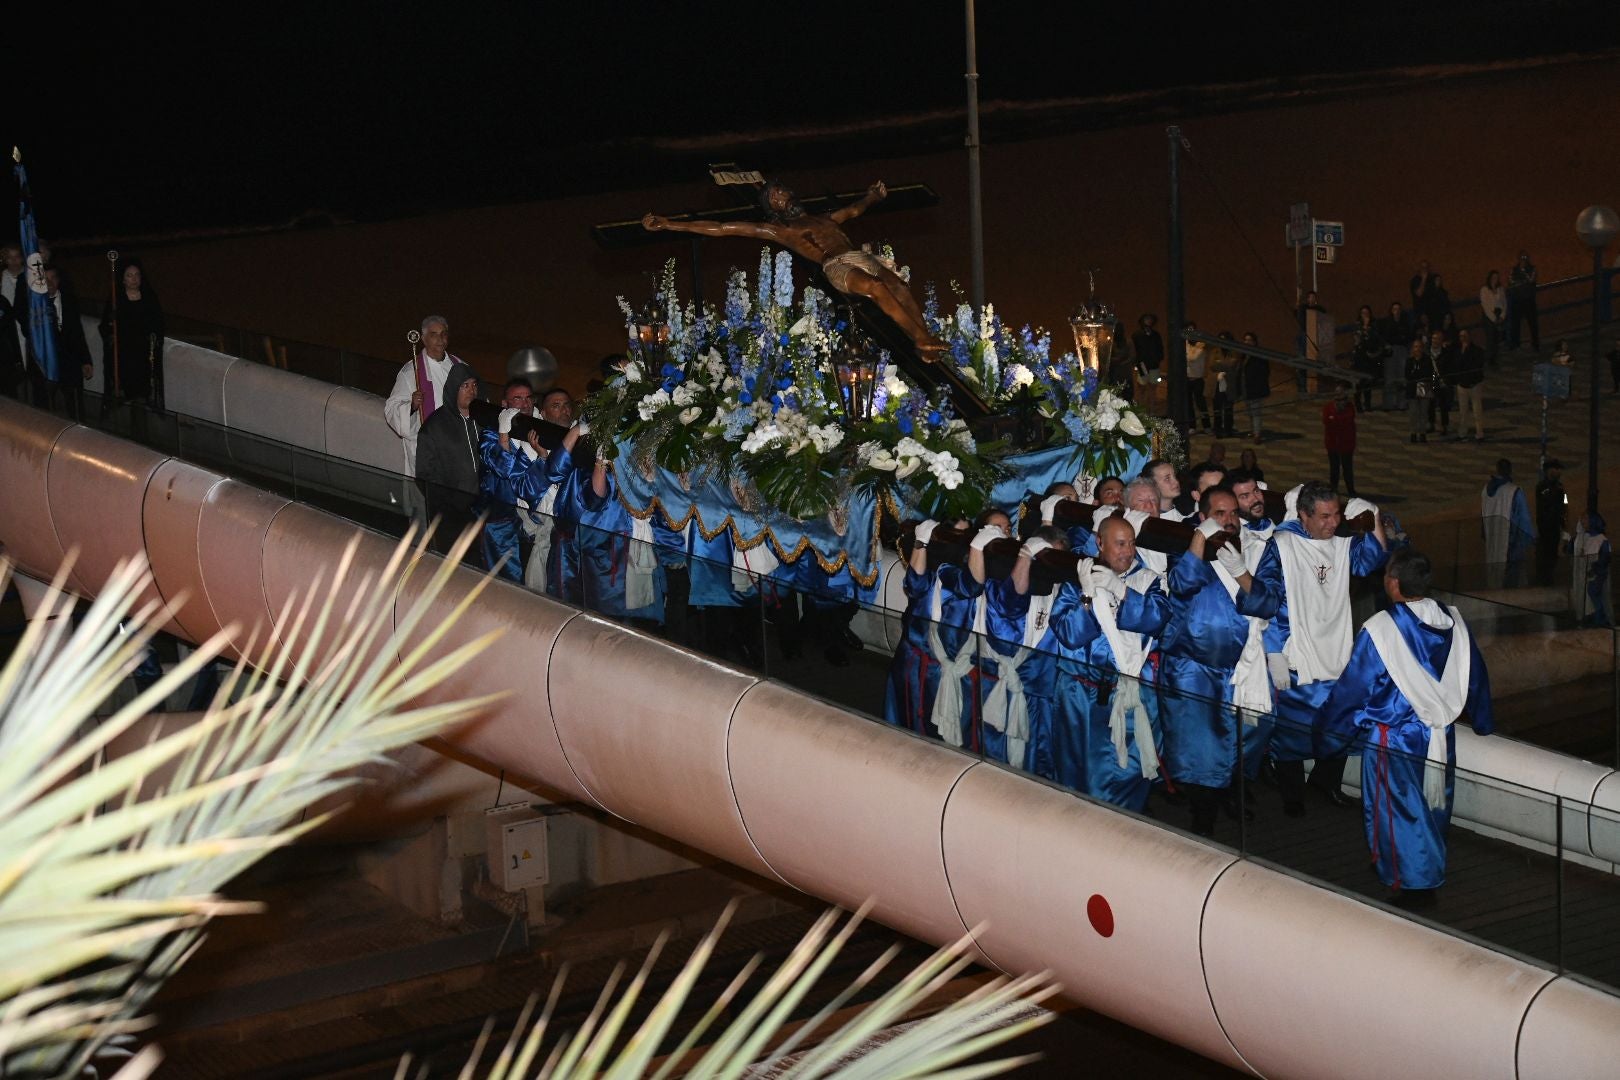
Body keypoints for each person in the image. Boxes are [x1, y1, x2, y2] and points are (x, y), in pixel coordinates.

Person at [1316, 549, 1493, 904]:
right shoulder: (1453, 621)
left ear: (1393, 582)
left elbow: (1354, 688)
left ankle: (1414, 882)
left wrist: (1328, 734)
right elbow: (1476, 675)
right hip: (1440, 734)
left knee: (1398, 809)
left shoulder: (1382, 629)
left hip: (1395, 738)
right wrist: (1483, 718)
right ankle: (1407, 863)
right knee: (1435, 803)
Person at [644, 180, 945, 357]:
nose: (780, 197)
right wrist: (670, 223)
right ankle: (918, 338)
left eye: (781, 192)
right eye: (773, 197)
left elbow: (854, 209)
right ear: (771, 209)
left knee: (900, 287)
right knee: (877, 288)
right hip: (836, 265)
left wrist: (873, 196)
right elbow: (722, 227)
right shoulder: (780, 231)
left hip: (857, 256)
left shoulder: (825, 219)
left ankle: (923, 338)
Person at [1249, 482, 1389, 816]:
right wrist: (1274, 652)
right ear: (1304, 515)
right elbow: (1267, 600)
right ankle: (1292, 796)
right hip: (1295, 653)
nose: (1332, 522)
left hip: (1336, 649)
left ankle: (1327, 782)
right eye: (1324, 516)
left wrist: (1374, 515)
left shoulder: (1342, 543)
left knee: (1343, 721)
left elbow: (1373, 558)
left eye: (1337, 514)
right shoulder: (1281, 546)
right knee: (1291, 730)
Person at [1160, 486, 1274, 838]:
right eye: (1219, 514)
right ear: (1203, 515)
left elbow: (1268, 603)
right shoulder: (1182, 545)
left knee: (1250, 736)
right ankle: (1203, 816)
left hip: (1242, 670)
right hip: (1193, 671)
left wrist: (1240, 571)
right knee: (1200, 752)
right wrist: (1198, 540)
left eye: (1232, 514)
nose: (1227, 520)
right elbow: (1180, 584)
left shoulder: (1255, 551)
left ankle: (1233, 793)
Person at [1048, 515, 1170, 811]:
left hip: (1130, 692)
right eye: (1119, 544)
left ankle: (1127, 824)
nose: (1127, 551)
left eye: (1131, 543)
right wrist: (1088, 596)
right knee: (1078, 767)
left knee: (1130, 769)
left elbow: (1159, 619)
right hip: (1081, 695)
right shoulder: (1076, 578)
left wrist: (1122, 590)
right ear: (1100, 543)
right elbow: (1068, 634)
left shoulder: (1148, 580)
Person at [973, 527, 1067, 775]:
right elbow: (1009, 608)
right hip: (1001, 692)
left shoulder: (1064, 592)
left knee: (1038, 767)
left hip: (1042, 699)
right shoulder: (1001, 585)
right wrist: (1025, 557)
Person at [883, 519, 982, 743]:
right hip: (916, 659)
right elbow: (914, 585)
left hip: (956, 665)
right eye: (955, 533)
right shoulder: (934, 564)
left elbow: (971, 586)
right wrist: (921, 542)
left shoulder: (970, 572)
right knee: (909, 717)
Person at [385, 316, 463, 518]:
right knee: (426, 509)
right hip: (427, 453)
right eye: (434, 334)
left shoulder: (460, 367)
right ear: (423, 338)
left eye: (444, 334)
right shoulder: (411, 372)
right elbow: (392, 409)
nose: (440, 339)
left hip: (456, 450)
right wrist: (411, 405)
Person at [415, 363, 483, 556]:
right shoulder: (434, 427)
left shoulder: (482, 421)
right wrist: (453, 503)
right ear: (454, 388)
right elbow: (424, 475)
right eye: (465, 386)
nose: (471, 391)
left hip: (482, 512)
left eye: (474, 385)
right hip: (451, 517)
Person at [478, 377, 539, 581]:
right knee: (506, 583)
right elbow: (504, 469)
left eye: (529, 398)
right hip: (502, 522)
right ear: (504, 404)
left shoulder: (541, 428)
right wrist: (504, 434)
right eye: (518, 398)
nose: (525, 403)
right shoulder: (490, 433)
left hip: (535, 521)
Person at [19, 265, 93, 420]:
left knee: (75, 409)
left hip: (69, 363)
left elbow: (77, 332)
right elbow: (27, 331)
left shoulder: (69, 300)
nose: (50, 282)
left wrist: (86, 360)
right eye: (45, 279)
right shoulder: (33, 306)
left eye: (53, 278)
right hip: (43, 365)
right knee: (44, 411)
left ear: (59, 280)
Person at [96, 259, 165, 414]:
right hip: (123, 357)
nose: (134, 279)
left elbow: (159, 324)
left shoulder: (150, 298)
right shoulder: (116, 300)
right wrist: (110, 325)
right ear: (123, 279)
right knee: (125, 395)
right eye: (129, 275)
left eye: (137, 275)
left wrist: (154, 338)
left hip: (145, 356)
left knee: (143, 395)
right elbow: (105, 327)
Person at [1481, 459, 1535, 588]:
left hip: (1493, 537)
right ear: (1510, 471)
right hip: (1512, 540)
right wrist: (1530, 538)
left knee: (1495, 571)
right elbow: (1524, 518)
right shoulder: (1514, 491)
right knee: (1512, 577)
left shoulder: (1485, 490)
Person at [1570, 511, 1612, 627]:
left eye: (1586, 519)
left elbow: (1605, 558)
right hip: (1589, 574)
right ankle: (1595, 619)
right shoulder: (1587, 538)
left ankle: (1602, 620)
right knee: (1590, 598)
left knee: (1597, 596)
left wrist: (1594, 569)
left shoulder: (1601, 539)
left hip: (1597, 575)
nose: (1583, 522)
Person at [1534, 460, 1567, 587]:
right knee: (1544, 555)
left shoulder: (1559, 487)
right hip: (1545, 528)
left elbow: (1564, 504)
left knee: (1552, 556)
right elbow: (1546, 505)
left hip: (1554, 527)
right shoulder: (1543, 487)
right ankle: (1544, 581)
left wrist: (1564, 523)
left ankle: (1548, 579)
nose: (1559, 472)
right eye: (1557, 469)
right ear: (1550, 471)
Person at [1321, 387, 1358, 498]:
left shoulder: (1350, 408)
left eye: (1343, 399)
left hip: (1346, 444)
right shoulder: (1328, 408)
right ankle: (1333, 489)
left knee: (1347, 468)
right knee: (1334, 468)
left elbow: (1346, 421)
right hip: (1332, 444)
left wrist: (1335, 419)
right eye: (1338, 399)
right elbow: (1327, 421)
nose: (1341, 402)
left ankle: (1350, 490)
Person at [1378, 301, 1415, 413]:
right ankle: (1388, 403)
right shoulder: (1387, 322)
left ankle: (1401, 402)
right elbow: (1383, 336)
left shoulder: (1404, 323)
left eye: (1399, 309)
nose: (1396, 311)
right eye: (1394, 309)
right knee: (1389, 377)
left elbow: (1409, 335)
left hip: (1402, 349)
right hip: (1391, 350)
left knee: (1402, 376)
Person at [1453, 327, 1486, 441]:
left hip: (1474, 384)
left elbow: (1477, 366)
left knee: (1477, 410)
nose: (1463, 338)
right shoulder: (1457, 351)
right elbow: (1456, 365)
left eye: (1465, 336)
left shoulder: (1477, 350)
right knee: (1463, 411)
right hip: (1462, 384)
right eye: (1461, 336)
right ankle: (1462, 433)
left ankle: (1480, 432)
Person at [0, 244, 23, 398]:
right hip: (8, 335)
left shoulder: (30, 277)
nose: (14, 261)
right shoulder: (2, 278)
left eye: (17, 256)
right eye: (10, 257)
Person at [1350, 305, 1382, 412]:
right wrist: (1364, 328)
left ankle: (1367, 404)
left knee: (1368, 381)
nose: (1365, 315)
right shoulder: (1357, 325)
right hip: (1359, 357)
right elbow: (1357, 340)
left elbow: (1375, 339)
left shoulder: (1374, 326)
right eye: (1363, 313)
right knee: (1358, 382)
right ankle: (1358, 404)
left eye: (1367, 313)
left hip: (1369, 357)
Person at [1238, 331, 1268, 444]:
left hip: (1255, 388)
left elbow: (1264, 372)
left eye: (1249, 340)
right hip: (1246, 388)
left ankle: (1257, 434)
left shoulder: (1259, 355)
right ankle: (1253, 430)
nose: (1247, 342)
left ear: (1254, 342)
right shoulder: (1244, 354)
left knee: (1256, 412)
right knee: (1250, 411)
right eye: (1245, 340)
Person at [1507, 251, 1540, 353]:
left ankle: (1536, 344)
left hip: (1529, 300)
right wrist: (1522, 282)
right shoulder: (1513, 270)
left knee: (1533, 323)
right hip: (1517, 301)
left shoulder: (1532, 269)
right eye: (1521, 258)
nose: (1523, 260)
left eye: (1525, 258)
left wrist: (1522, 275)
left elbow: (1531, 280)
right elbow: (1511, 282)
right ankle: (1515, 345)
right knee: (1515, 324)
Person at [1208, 331, 1238, 437]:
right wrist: (1223, 367)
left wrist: (1220, 364)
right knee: (1217, 409)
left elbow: (1233, 364)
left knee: (1229, 408)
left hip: (1229, 384)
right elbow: (1212, 365)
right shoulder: (1214, 351)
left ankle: (1228, 429)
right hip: (1217, 384)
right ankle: (1218, 429)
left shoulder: (1233, 352)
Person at [1131, 313, 1164, 408]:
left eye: (1150, 319)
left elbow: (1160, 349)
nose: (1149, 321)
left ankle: (1152, 409)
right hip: (1142, 365)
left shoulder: (1156, 335)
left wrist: (1159, 359)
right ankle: (1141, 410)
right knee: (1141, 387)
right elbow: (1134, 350)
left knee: (1153, 388)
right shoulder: (1137, 335)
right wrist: (1136, 363)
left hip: (1154, 366)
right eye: (1146, 319)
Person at [1184, 321, 1210, 433]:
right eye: (1188, 330)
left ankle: (1207, 426)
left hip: (1198, 379)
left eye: (1192, 329)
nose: (1190, 332)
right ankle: (1192, 426)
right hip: (1187, 378)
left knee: (1201, 403)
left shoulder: (1201, 344)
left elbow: (1192, 358)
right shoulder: (1185, 343)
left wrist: (1187, 353)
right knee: (1188, 403)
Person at [1405, 337, 1432, 444]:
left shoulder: (1427, 360)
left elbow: (1427, 373)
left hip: (1424, 386)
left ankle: (1422, 433)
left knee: (1423, 412)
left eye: (1419, 347)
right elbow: (1407, 375)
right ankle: (1413, 433)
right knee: (1413, 412)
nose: (1418, 349)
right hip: (1412, 387)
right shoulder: (1409, 361)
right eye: (1415, 347)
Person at [1479, 269, 1507, 367]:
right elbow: (1485, 305)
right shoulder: (1484, 289)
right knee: (1490, 338)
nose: (1495, 279)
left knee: (1497, 338)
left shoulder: (1500, 289)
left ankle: (1494, 358)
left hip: (1499, 313)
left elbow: (1504, 303)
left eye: (1497, 278)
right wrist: (1493, 318)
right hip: (1489, 316)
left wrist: (1502, 316)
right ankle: (1489, 359)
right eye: (1494, 277)